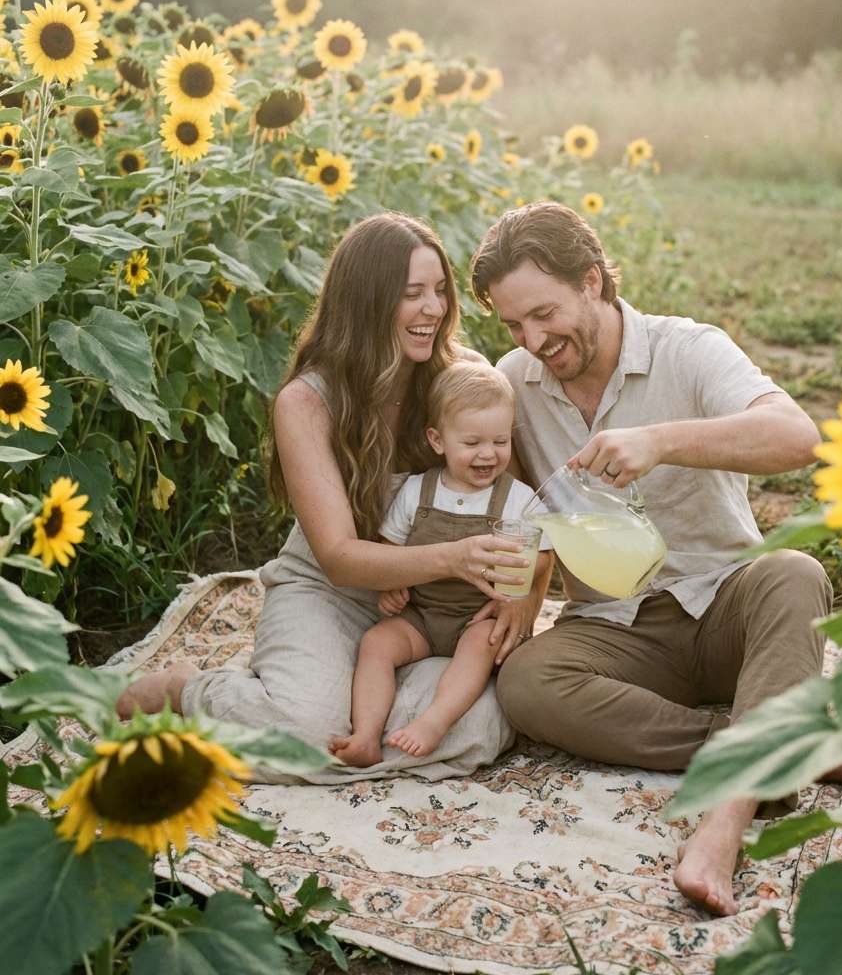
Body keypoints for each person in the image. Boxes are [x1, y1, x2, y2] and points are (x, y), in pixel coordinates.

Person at [469, 200, 842, 916]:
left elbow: (798, 437)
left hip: (725, 607)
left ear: (592, 281)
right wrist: (526, 593)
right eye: (513, 325)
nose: (533, 340)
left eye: (544, 314)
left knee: (796, 574)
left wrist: (660, 441)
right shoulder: (514, 380)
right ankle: (788, 743)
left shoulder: (688, 348)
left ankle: (724, 821)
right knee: (526, 683)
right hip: (616, 629)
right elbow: (529, 507)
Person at [116, 212, 538, 783]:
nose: (434, 309)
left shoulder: (462, 378)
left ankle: (356, 707)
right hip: (330, 590)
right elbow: (338, 557)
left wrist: (524, 600)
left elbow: (527, 508)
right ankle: (189, 691)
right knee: (304, 733)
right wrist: (454, 557)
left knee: (481, 725)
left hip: (434, 606)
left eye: (440, 290)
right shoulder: (308, 402)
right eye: (412, 293)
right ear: (367, 301)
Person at [329, 362, 554, 767]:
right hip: (422, 615)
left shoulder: (518, 499)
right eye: (472, 442)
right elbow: (390, 548)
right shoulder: (418, 491)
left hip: (478, 615)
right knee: (376, 644)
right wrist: (391, 586)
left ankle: (434, 721)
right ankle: (366, 734)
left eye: (500, 441)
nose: (488, 454)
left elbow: (544, 553)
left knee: (482, 644)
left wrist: (518, 575)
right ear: (437, 440)